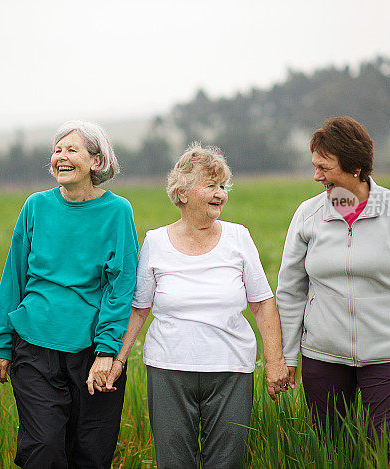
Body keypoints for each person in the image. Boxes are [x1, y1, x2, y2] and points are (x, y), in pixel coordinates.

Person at [109, 143, 287, 469]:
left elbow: (262, 304)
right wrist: (118, 360)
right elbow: (138, 309)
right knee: (174, 463)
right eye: (211, 185)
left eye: (223, 186)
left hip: (231, 370)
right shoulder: (156, 242)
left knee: (227, 463)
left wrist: (275, 361)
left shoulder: (238, 238)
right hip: (168, 371)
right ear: (183, 192)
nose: (220, 193)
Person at [276, 116, 390, 445]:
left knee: (387, 449)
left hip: (389, 355)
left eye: (325, 167)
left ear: (354, 166)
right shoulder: (307, 216)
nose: (316, 175)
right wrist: (288, 355)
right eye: (314, 165)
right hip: (322, 356)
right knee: (330, 449)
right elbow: (290, 291)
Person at [0, 120, 139, 468]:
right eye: (57, 150)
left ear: (96, 161)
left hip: (91, 352)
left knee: (90, 453)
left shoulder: (118, 211)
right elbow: (14, 276)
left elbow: (121, 287)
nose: (61, 157)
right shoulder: (36, 206)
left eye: (72, 150)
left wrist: (107, 351)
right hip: (34, 345)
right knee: (43, 449)